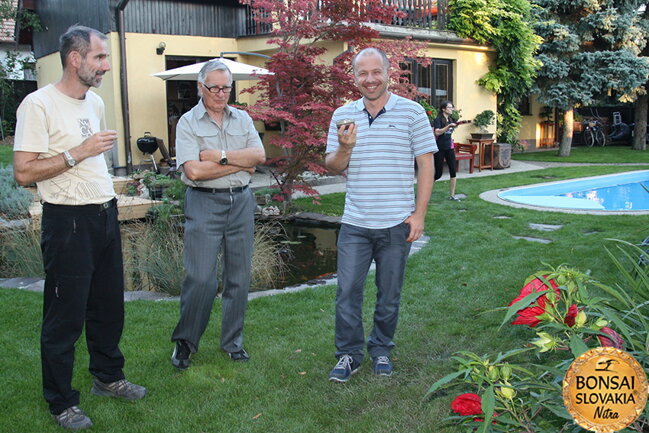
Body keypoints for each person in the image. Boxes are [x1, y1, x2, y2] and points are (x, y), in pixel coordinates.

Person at [12, 25, 146, 430]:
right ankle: (61, 401)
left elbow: (96, 164)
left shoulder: (96, 102)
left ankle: (108, 376)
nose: (106, 65)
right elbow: (22, 172)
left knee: (108, 307)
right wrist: (77, 153)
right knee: (64, 316)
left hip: (103, 213)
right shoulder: (38, 105)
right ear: (75, 59)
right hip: (67, 220)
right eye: (100, 58)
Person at [325, 47, 437, 382]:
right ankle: (349, 354)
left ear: (389, 73)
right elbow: (332, 166)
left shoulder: (412, 113)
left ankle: (382, 349)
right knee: (347, 293)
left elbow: (426, 165)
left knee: (389, 294)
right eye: (363, 73)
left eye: (376, 72)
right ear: (355, 77)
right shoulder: (342, 115)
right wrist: (345, 147)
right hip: (355, 223)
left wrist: (419, 215)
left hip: (396, 224)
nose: (370, 79)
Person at [170, 60, 266, 370]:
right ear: (200, 88)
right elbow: (195, 171)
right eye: (214, 87)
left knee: (238, 277)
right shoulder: (187, 123)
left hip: (241, 202)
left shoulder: (243, 119)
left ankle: (232, 342)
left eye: (226, 87)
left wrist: (219, 156)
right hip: (203, 203)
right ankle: (186, 342)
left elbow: (259, 157)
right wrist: (240, 162)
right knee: (200, 279)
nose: (221, 94)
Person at [432, 100, 460, 200]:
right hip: (440, 148)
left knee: (453, 171)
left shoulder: (451, 119)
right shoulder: (438, 120)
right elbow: (437, 132)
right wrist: (448, 126)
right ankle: (424, 192)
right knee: (438, 173)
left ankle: (452, 195)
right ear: (444, 109)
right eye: (449, 107)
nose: (452, 109)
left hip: (449, 148)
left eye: (452, 107)